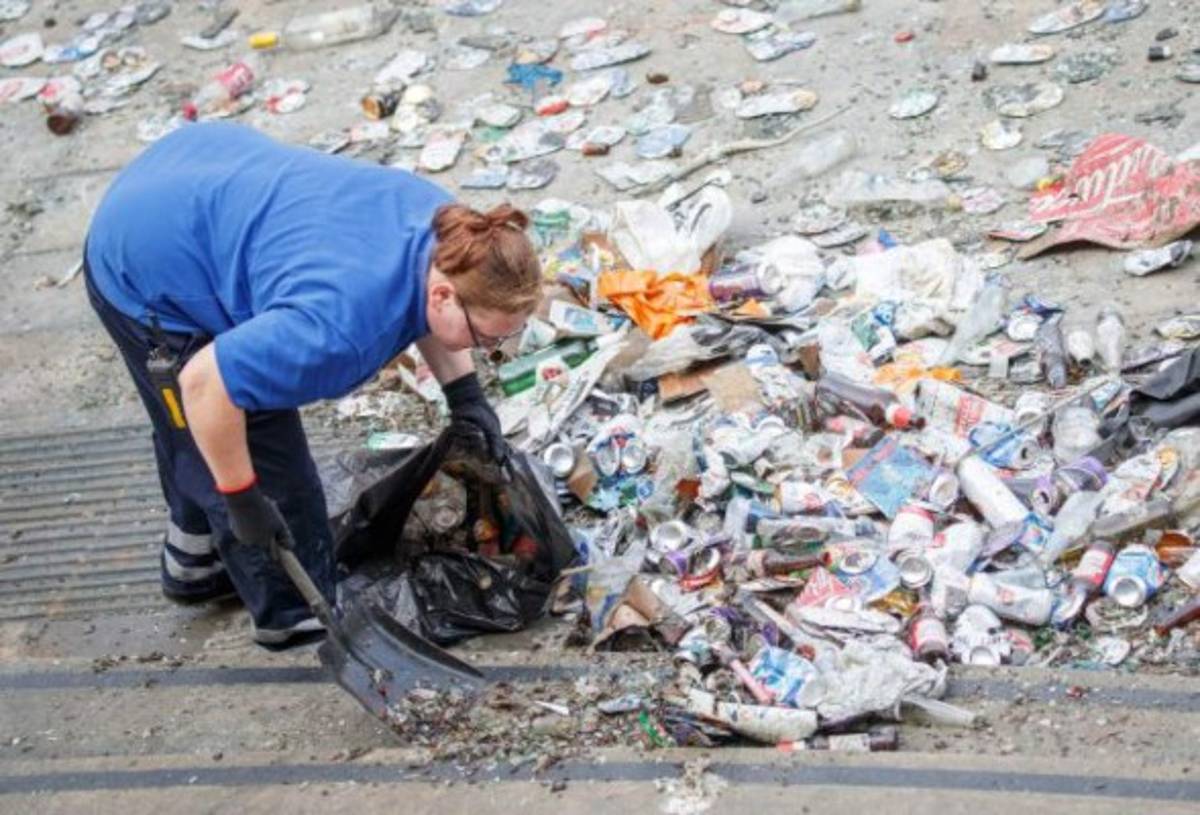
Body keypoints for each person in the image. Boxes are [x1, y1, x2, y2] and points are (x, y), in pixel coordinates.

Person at [83, 122, 540, 649]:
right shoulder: (336, 331)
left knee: (192, 434)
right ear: (441, 296)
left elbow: (441, 317)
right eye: (484, 339)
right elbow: (204, 384)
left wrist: (466, 396)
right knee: (272, 481)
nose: (483, 350)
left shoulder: (452, 232)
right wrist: (242, 498)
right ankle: (292, 617)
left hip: (193, 173)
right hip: (144, 264)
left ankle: (191, 563)